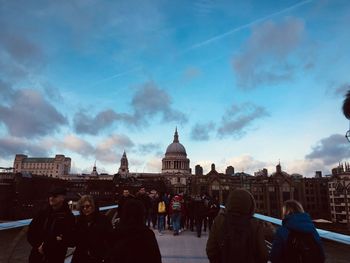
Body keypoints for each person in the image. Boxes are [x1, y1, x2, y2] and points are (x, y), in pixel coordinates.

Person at [206, 188, 268, 263]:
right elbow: (263, 255)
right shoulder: (255, 224)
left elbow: (211, 249)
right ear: (250, 204)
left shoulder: (220, 220)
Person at [27, 187, 75, 263]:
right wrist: (38, 246)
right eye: (50, 196)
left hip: (55, 258)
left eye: (55, 196)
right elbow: (30, 233)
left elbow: (70, 240)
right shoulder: (42, 214)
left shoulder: (68, 217)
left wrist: (49, 245)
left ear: (62, 198)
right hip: (37, 257)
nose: (51, 198)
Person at [108, 199, 162, 263]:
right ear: (141, 214)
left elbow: (110, 256)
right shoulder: (148, 234)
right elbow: (156, 258)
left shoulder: (116, 234)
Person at [71, 195, 113, 263]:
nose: (85, 208)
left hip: (98, 257)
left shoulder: (103, 220)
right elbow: (75, 241)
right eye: (82, 207)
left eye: (87, 206)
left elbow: (110, 239)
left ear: (93, 206)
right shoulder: (79, 221)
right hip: (81, 257)